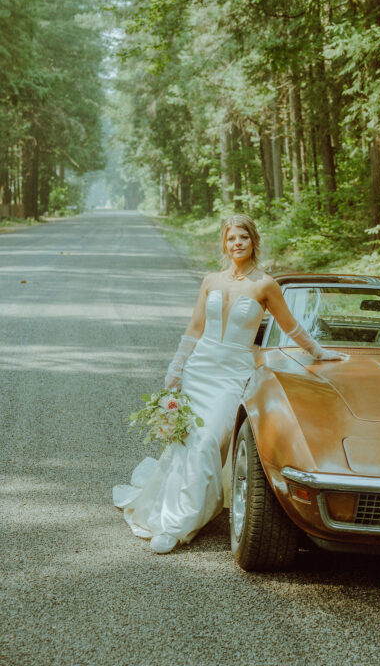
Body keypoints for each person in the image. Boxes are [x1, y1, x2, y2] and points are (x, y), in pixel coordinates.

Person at [113, 213, 344, 554]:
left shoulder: (265, 285)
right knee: (186, 443)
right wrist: (175, 370)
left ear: (253, 242)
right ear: (224, 243)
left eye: (243, 238)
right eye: (231, 238)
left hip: (233, 374)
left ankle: (180, 522)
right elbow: (194, 329)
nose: (237, 244)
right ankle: (171, 515)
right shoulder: (210, 280)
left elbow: (291, 327)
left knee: (208, 442)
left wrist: (320, 352)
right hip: (199, 370)